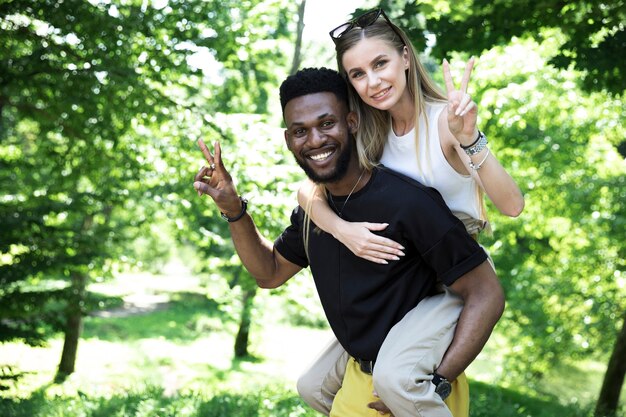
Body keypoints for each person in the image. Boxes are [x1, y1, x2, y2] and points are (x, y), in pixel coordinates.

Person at [193, 67, 505, 417]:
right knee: (311, 386)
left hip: (413, 386)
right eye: (300, 131)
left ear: (352, 122)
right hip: (362, 381)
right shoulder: (314, 213)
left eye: (327, 124)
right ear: (288, 140)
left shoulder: (407, 202)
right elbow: (269, 273)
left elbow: (486, 293)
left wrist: (440, 379)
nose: (314, 140)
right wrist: (234, 210)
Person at [295, 8, 524, 417]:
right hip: (402, 281)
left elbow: (512, 205)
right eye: (357, 74)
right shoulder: (370, 133)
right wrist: (343, 230)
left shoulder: (444, 123)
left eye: (380, 63)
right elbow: (307, 189)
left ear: (405, 57)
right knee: (314, 386)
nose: (373, 81)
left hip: (451, 279)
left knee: (396, 380)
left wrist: (470, 138)